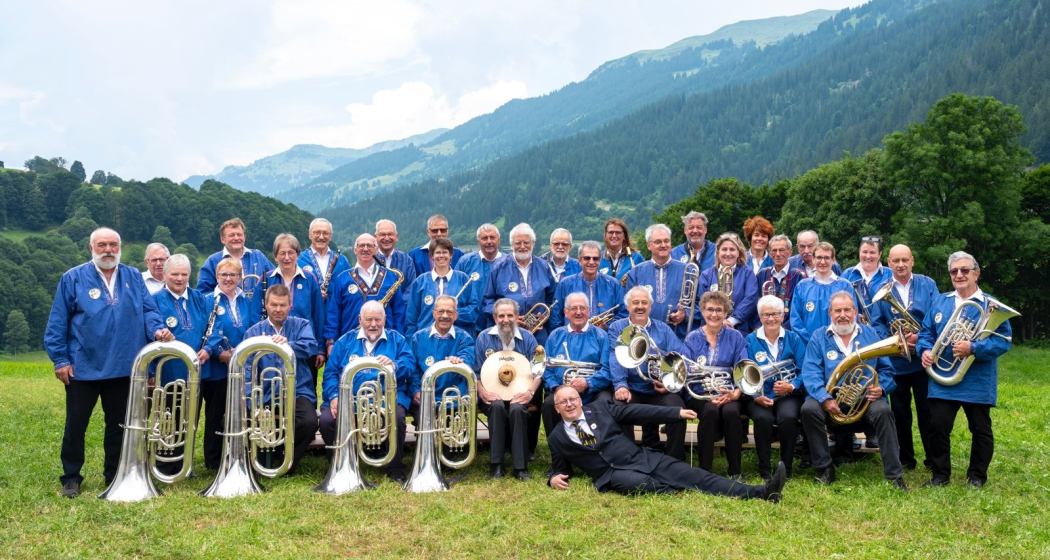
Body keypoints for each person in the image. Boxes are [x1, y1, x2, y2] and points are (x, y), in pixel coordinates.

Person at [45, 228, 172, 498]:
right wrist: (60, 359)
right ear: (91, 248)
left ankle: (113, 474)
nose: (108, 250)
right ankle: (71, 477)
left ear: (120, 247)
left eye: (113, 245)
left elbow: (148, 312)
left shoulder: (132, 277)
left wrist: (158, 330)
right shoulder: (72, 278)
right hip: (83, 368)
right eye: (102, 245)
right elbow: (57, 322)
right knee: (76, 425)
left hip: (124, 366)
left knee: (119, 426)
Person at [547, 386, 786, 501]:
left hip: (640, 458)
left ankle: (762, 492)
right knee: (646, 484)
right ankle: (673, 486)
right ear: (557, 408)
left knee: (694, 475)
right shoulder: (556, 437)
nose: (569, 404)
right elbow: (560, 468)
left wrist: (675, 413)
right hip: (612, 474)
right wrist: (553, 478)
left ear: (580, 400)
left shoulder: (599, 408)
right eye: (563, 402)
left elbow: (637, 410)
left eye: (573, 399)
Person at [917, 251, 1012, 489]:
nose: (959, 275)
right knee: (937, 425)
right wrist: (925, 350)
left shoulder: (992, 305)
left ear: (976, 273)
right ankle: (940, 476)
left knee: (980, 429)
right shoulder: (941, 301)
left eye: (964, 270)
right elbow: (926, 333)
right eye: (954, 271)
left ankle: (977, 477)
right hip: (943, 378)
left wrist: (974, 347)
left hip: (977, 379)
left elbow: (1004, 340)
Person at [799, 291, 906, 490]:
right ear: (830, 313)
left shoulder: (870, 334)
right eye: (837, 310)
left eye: (847, 310)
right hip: (830, 398)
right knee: (808, 409)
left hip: (864, 399)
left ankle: (894, 475)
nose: (843, 315)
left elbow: (887, 370)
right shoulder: (819, 336)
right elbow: (811, 373)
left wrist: (881, 388)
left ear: (855, 311)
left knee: (883, 412)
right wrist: (824, 397)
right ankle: (824, 468)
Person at [321, 301, 415, 483]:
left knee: (397, 417)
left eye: (378, 320)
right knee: (327, 421)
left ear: (385, 319)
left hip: (385, 399)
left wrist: (395, 365)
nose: (373, 324)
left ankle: (394, 467)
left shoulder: (397, 340)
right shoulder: (345, 341)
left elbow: (410, 365)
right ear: (360, 320)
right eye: (369, 319)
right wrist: (334, 397)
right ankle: (339, 464)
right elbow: (330, 373)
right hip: (350, 399)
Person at [872, 244, 939, 471]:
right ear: (888, 263)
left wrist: (920, 339)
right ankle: (906, 459)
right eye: (895, 261)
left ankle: (932, 458)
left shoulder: (928, 284)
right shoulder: (880, 288)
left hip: (923, 361)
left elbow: (937, 316)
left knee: (928, 411)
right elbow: (877, 323)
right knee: (900, 413)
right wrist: (898, 341)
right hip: (896, 362)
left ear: (912, 261)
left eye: (905, 260)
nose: (900, 265)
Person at [605, 286, 688, 461]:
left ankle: (674, 461)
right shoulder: (616, 328)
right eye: (635, 303)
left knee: (677, 409)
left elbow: (679, 357)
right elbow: (615, 357)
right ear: (628, 306)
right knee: (619, 407)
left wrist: (669, 384)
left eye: (644, 302)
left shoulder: (663, 329)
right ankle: (628, 457)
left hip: (657, 390)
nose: (640, 306)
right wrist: (621, 385)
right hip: (632, 387)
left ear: (650, 306)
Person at [150, 254, 212, 475]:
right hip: (168, 371)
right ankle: (165, 463)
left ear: (189, 275)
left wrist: (209, 348)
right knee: (168, 417)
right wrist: (159, 332)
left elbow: (213, 328)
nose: (179, 278)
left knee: (190, 419)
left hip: (196, 371)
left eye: (184, 274)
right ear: (165, 274)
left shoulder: (200, 298)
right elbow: (151, 325)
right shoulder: (155, 299)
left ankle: (184, 462)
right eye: (174, 274)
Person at [474, 298, 543, 480]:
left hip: (521, 393)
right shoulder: (483, 338)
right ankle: (496, 465)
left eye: (510, 315)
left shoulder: (528, 338)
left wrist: (529, 393)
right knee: (496, 407)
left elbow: (538, 371)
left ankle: (520, 467)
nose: (506, 319)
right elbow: (475, 372)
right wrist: (482, 391)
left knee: (518, 410)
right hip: (491, 393)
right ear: (495, 317)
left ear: (517, 317)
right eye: (502, 316)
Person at [683, 291, 747, 480]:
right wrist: (705, 393)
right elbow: (685, 370)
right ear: (702, 311)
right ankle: (705, 469)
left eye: (719, 310)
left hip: (728, 392)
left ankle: (735, 470)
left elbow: (743, 367)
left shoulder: (736, 337)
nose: (714, 314)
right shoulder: (692, 338)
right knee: (709, 411)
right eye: (710, 309)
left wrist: (735, 393)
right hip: (699, 393)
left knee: (732, 412)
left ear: (726, 312)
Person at [250, 234, 326, 389]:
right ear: (275, 256)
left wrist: (320, 349)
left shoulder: (309, 279)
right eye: (282, 253)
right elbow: (255, 316)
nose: (286, 257)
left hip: (302, 346)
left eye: (291, 253)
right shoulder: (266, 279)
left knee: (304, 390)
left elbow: (318, 315)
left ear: (298, 254)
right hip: (270, 348)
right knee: (271, 390)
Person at [540, 292, 614, 451]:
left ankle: (601, 450)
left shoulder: (601, 336)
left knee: (605, 401)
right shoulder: (555, 336)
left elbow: (607, 369)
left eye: (582, 308)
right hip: (561, 390)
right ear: (565, 313)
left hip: (593, 391)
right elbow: (545, 368)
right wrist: (557, 388)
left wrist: (588, 383)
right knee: (548, 404)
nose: (578, 312)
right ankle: (558, 457)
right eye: (573, 308)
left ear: (589, 311)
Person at [745, 295, 807, 480]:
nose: (770, 319)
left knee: (788, 417)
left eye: (775, 314)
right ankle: (764, 470)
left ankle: (786, 468)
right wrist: (756, 395)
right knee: (762, 419)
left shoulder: (794, 339)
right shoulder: (750, 340)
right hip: (759, 395)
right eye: (766, 315)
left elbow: (805, 370)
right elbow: (744, 371)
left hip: (787, 394)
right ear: (760, 316)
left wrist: (792, 385)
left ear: (782, 316)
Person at [201, 257, 252, 470]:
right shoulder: (206, 300)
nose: (228, 279)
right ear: (216, 277)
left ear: (240, 278)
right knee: (216, 413)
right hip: (217, 368)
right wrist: (220, 354)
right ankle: (213, 461)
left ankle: (237, 454)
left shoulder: (246, 300)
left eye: (233, 275)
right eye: (224, 275)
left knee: (240, 411)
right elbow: (204, 333)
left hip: (243, 367)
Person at [325, 233, 407, 350]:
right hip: (350, 343)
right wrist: (331, 342)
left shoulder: (391, 277)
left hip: (385, 343)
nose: (365, 249)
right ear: (355, 250)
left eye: (369, 246)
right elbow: (334, 313)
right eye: (361, 246)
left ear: (376, 250)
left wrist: (398, 340)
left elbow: (398, 313)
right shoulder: (342, 279)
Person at [483, 223, 557, 345]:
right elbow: (488, 301)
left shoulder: (544, 267)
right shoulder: (498, 267)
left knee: (538, 363)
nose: (522, 246)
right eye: (518, 243)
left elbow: (552, 299)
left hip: (538, 332)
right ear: (512, 245)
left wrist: (543, 318)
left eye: (526, 242)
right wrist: (508, 318)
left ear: (533, 243)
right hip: (505, 331)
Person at [409, 295, 476, 421]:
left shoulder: (465, 338)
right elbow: (413, 371)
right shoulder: (418, 338)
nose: (444, 316)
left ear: (455, 316)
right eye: (440, 311)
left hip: (455, 400)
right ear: (434, 314)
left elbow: (467, 360)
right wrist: (416, 391)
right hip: (426, 399)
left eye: (449, 312)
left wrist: (460, 362)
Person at [624, 224, 693, 339]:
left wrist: (685, 313)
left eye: (666, 241)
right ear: (648, 245)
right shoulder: (636, 272)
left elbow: (701, 303)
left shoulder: (688, 270)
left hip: (678, 336)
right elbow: (627, 305)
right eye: (658, 242)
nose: (663, 245)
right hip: (644, 336)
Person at [405, 237, 480, 337]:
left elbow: (474, 311)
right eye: (438, 252)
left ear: (451, 255)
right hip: (426, 339)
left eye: (445, 252)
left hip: (457, 339)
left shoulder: (464, 279)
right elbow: (411, 317)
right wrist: (412, 341)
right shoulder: (420, 281)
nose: (441, 256)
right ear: (431, 255)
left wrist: (448, 314)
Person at [549, 241, 627, 331]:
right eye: (587, 258)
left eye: (595, 259)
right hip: (572, 340)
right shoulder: (565, 284)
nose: (591, 262)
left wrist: (607, 327)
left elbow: (623, 314)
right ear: (579, 261)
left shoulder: (614, 284)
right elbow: (555, 318)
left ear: (600, 261)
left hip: (604, 339)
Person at [790, 242, 856, 343]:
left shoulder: (845, 285)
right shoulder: (802, 286)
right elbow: (795, 320)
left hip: (839, 345)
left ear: (833, 260)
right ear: (813, 259)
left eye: (827, 258)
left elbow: (852, 316)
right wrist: (811, 341)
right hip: (808, 345)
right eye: (819, 257)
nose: (822, 262)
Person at [696, 233, 760, 332]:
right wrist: (719, 321)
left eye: (732, 249)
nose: (728, 253)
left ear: (739, 252)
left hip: (739, 328)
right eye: (724, 249)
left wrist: (731, 321)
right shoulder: (706, 275)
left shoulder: (748, 273)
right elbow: (701, 302)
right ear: (718, 252)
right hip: (711, 328)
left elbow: (751, 299)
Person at [197, 218, 274, 294]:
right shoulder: (212, 261)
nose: (236, 238)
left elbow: (275, 280)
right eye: (231, 235)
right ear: (222, 239)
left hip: (258, 306)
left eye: (239, 234)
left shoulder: (258, 256)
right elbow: (203, 292)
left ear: (244, 237)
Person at [454, 223, 504, 333]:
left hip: (502, 326)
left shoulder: (509, 262)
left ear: (498, 240)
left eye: (492, 237)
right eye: (484, 238)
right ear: (478, 241)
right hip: (471, 327)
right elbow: (456, 292)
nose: (489, 241)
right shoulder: (465, 262)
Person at [757, 235, 807, 331]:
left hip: (790, 331)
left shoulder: (800, 276)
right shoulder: (761, 275)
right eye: (774, 250)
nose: (778, 254)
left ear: (790, 252)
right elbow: (755, 303)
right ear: (770, 253)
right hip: (764, 329)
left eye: (782, 250)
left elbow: (800, 309)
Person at [842, 236, 893, 326]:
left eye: (872, 252)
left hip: (885, 329)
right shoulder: (847, 274)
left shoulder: (890, 274)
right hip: (853, 329)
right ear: (859, 252)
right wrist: (855, 315)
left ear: (880, 254)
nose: (868, 256)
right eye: (864, 252)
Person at [299, 218, 351, 303]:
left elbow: (349, 289)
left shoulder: (342, 261)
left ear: (330, 236)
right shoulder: (299, 260)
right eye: (317, 232)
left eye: (325, 233)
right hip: (308, 314)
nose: (321, 237)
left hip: (335, 314)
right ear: (309, 235)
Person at [374, 219, 418, 301]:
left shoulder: (406, 260)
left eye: (390, 234)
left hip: (400, 310)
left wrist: (398, 306)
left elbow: (411, 289)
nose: (386, 238)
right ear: (375, 237)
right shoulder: (369, 260)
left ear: (396, 237)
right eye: (382, 234)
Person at [600, 218, 645, 285]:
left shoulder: (636, 257)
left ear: (624, 236)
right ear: (605, 235)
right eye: (611, 232)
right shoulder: (597, 258)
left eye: (618, 232)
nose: (614, 236)